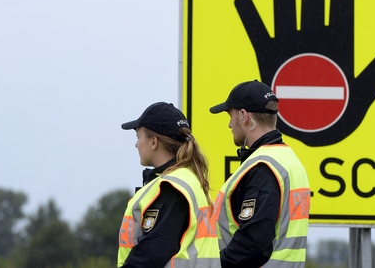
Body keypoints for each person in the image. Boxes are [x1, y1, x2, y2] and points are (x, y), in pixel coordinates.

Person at [209, 80, 310, 268]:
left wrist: (212, 265)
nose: (229, 125)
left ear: (243, 116)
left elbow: (253, 244)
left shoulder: (263, 166)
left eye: (230, 116)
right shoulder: (289, 160)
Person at [118, 102, 221, 268]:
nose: (136, 145)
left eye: (138, 137)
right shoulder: (189, 180)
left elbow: (151, 254)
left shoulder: (171, 187)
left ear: (154, 142)